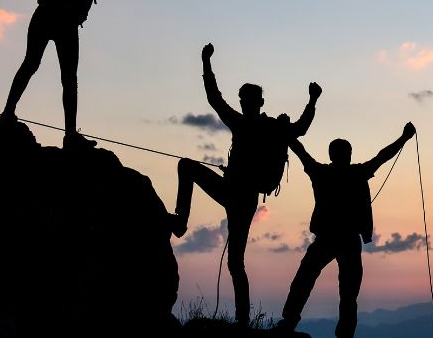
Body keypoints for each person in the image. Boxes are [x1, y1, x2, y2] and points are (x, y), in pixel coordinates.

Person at [172, 43, 321, 326]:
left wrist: (205, 63)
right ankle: (242, 322)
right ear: (260, 102)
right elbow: (301, 128)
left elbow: (213, 98)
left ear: (250, 102)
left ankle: (181, 221)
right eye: (244, 100)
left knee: (186, 166)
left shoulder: (242, 123)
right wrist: (312, 100)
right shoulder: (273, 128)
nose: (243, 103)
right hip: (244, 197)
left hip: (232, 193)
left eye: (244, 100)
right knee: (235, 262)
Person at [0, 0, 144, 149]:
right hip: (65, 23)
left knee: (31, 64)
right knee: (68, 79)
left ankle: (8, 113)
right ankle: (69, 135)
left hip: (45, 16)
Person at [274, 123, 416, 337]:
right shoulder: (357, 172)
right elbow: (382, 156)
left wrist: (286, 134)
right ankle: (344, 334)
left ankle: (289, 322)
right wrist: (404, 137)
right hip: (348, 240)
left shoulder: (320, 172)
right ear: (349, 155)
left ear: (331, 155)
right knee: (347, 293)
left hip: (326, 238)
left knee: (305, 279)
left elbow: (300, 151)